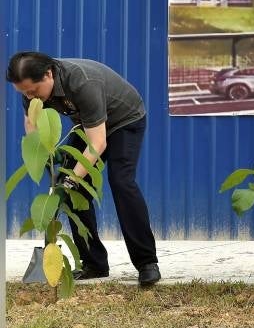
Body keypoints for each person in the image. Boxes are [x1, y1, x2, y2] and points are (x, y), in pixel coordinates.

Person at [6, 52, 161, 285]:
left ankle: (147, 263)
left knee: (120, 182)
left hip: (124, 120)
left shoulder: (82, 82)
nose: (29, 96)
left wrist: (69, 181)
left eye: (33, 90)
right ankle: (94, 263)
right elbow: (32, 126)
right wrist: (46, 158)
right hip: (86, 125)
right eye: (24, 92)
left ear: (48, 74)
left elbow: (98, 143)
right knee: (72, 194)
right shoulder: (31, 90)